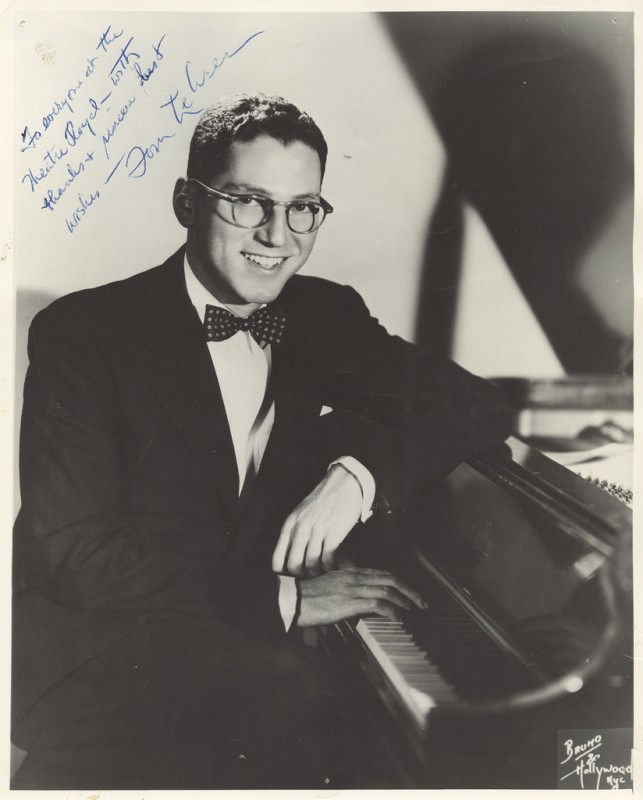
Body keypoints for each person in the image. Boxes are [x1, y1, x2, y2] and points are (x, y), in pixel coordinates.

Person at [11, 92, 510, 789]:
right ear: (188, 202)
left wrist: (356, 478)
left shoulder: (321, 312)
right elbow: (80, 556)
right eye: (248, 201)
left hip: (241, 641)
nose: (278, 236)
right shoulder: (85, 333)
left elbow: (475, 403)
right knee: (330, 731)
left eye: (303, 207)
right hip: (106, 648)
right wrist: (287, 600)